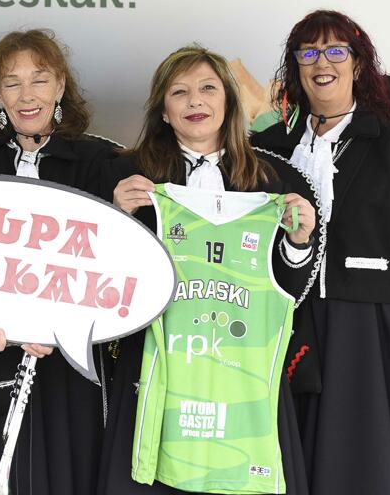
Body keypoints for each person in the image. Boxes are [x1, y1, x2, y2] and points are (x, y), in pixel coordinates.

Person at [251, 10, 390, 495]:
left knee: (365, 460)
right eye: (309, 51)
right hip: (285, 325)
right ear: (296, 66)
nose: (322, 62)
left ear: (359, 64)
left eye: (336, 50)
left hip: (370, 328)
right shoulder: (266, 147)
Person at [97, 45, 316, 495]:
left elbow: (287, 288)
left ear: (228, 103)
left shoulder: (273, 180)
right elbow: (100, 278)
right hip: (154, 366)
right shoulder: (126, 175)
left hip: (243, 370)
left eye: (207, 88)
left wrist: (298, 242)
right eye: (179, 92)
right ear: (163, 111)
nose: (195, 101)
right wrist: (114, 216)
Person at [0, 29, 117, 495]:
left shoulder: (101, 163)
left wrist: (58, 325)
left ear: (60, 86)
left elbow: (118, 271)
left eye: (39, 80)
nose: (26, 95)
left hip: (69, 368)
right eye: (12, 83)